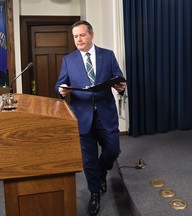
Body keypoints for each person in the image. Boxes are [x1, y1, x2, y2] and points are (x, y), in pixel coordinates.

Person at [55, 20, 126, 216]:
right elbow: (60, 84)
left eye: (82, 35)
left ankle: (102, 172)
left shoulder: (108, 55)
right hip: (82, 116)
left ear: (91, 35)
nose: (78, 39)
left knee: (113, 150)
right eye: (75, 36)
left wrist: (120, 87)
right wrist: (61, 90)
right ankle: (94, 192)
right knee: (88, 159)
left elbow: (118, 78)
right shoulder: (69, 60)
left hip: (105, 114)